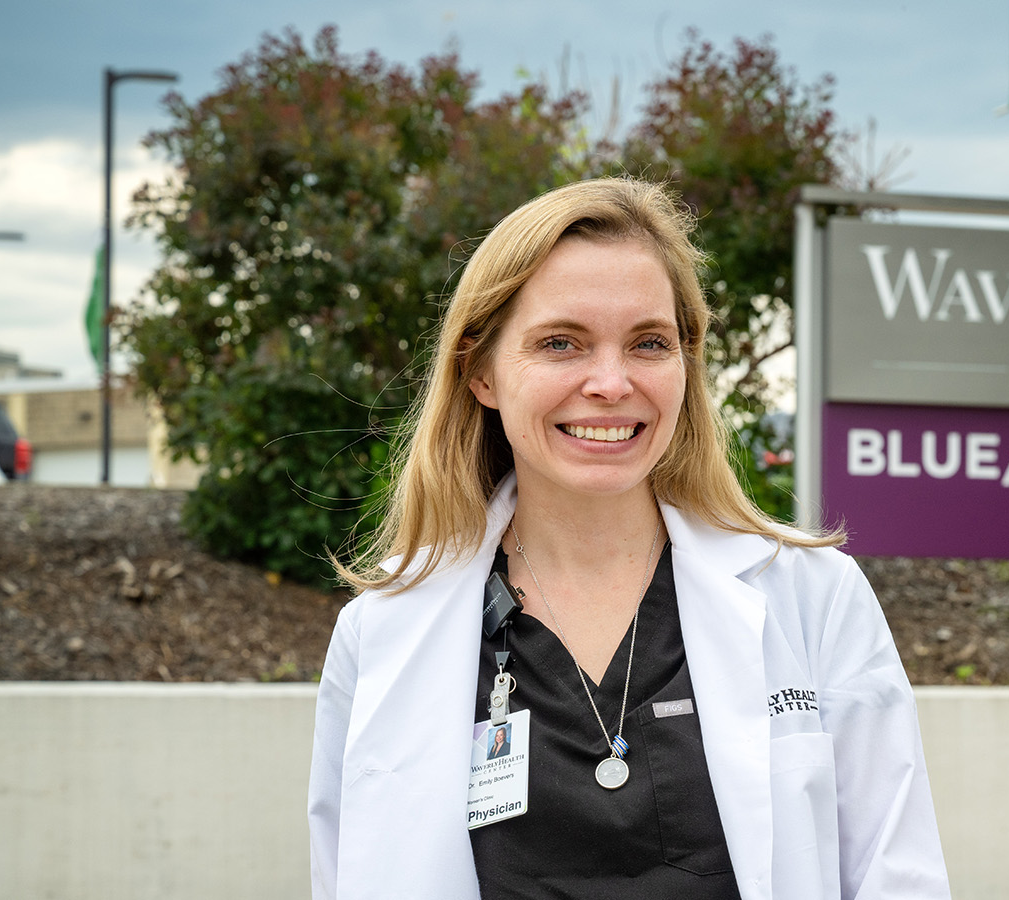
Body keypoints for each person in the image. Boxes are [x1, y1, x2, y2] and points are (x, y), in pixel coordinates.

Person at [308, 178, 950, 900]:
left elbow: (899, 876)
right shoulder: (386, 628)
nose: (611, 384)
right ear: (480, 372)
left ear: (685, 365)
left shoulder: (812, 596)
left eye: (649, 342)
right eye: (560, 343)